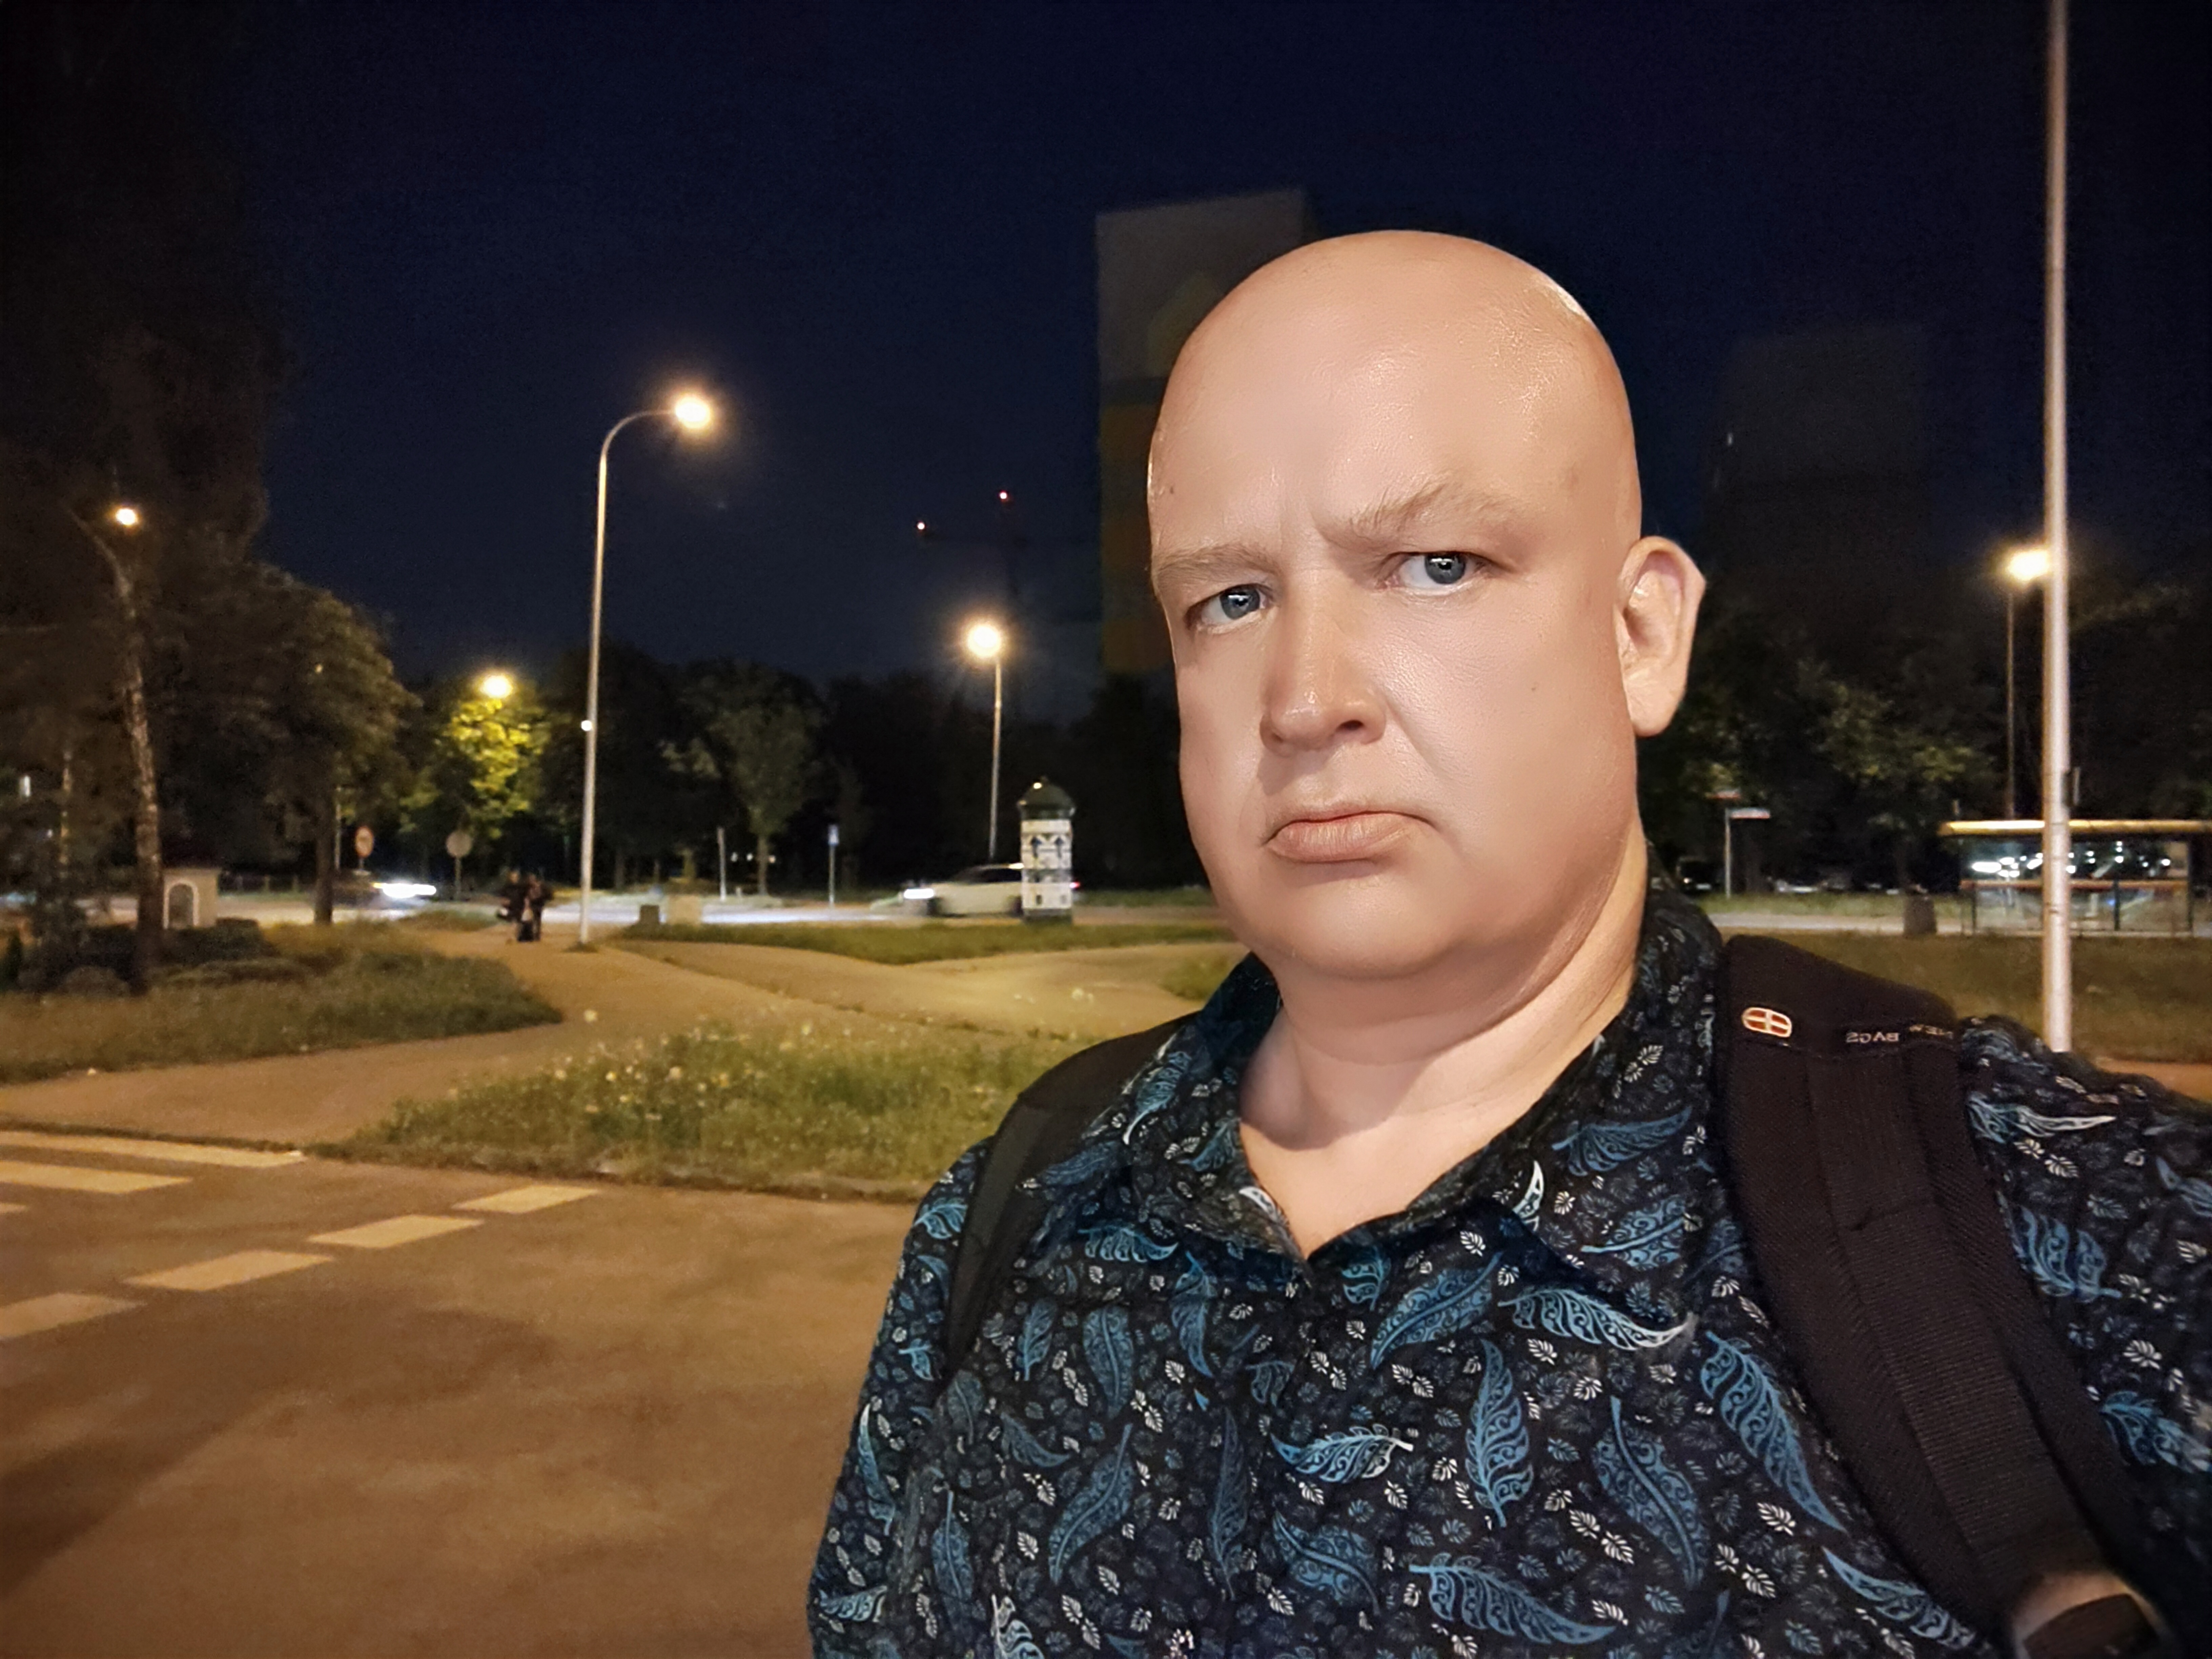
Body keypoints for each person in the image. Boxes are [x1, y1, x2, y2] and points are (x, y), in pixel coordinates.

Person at [810, 234, 2209, 1656]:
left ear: (1640, 634)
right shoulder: (1011, 1209)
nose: (1302, 698)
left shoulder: (2071, 1230)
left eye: (1435, 565)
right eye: (1229, 599)